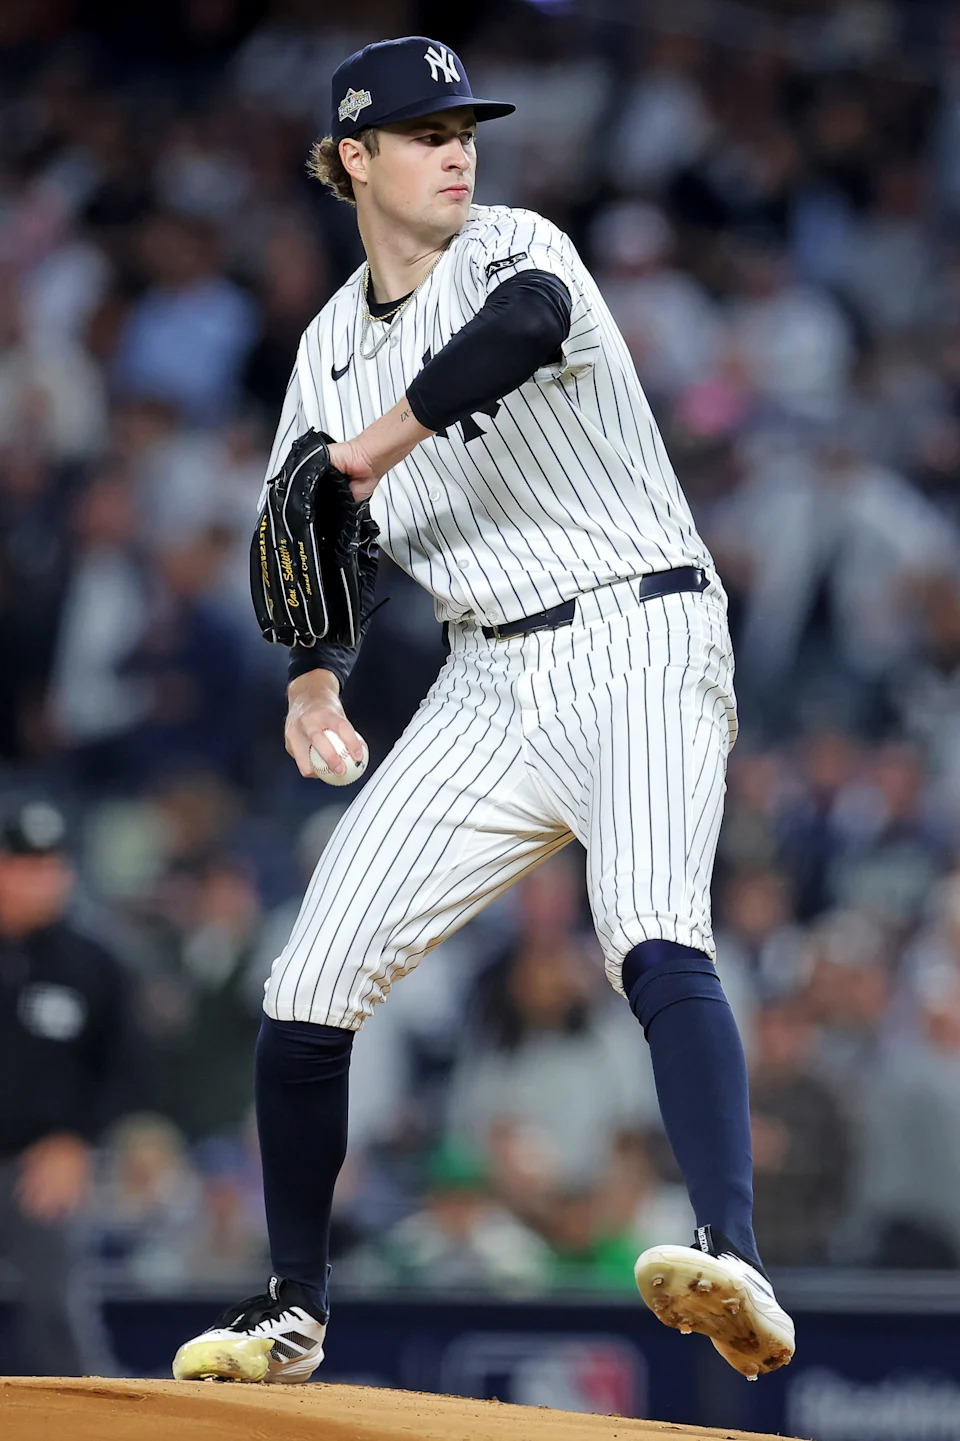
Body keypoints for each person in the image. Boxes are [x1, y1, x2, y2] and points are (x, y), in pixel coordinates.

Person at [172, 35, 795, 1387]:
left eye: (465, 125)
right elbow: (310, 536)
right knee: (310, 976)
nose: (458, 148)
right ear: (352, 158)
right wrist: (315, 674)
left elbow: (517, 339)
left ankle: (731, 1249)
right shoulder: (328, 348)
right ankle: (292, 1306)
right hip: (488, 677)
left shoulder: (518, 245)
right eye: (422, 130)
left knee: (649, 925)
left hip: (641, 626)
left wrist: (371, 451)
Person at [0, 800, 138, 1375]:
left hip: (43, 1164)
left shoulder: (92, 964)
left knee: (58, 1311)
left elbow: (126, 1070)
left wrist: (76, 1142)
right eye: (24, 865)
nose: (41, 880)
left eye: (51, 866)